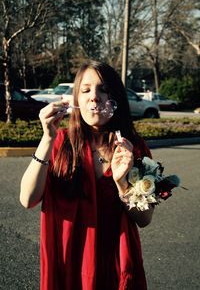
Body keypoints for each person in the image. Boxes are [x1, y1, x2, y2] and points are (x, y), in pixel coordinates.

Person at [20, 60, 154, 290]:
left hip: (116, 263)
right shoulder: (59, 142)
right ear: (76, 100)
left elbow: (145, 219)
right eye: (86, 90)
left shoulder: (135, 148)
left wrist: (123, 184)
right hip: (68, 260)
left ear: (116, 99)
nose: (94, 97)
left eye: (104, 90)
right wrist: (47, 139)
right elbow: (28, 199)